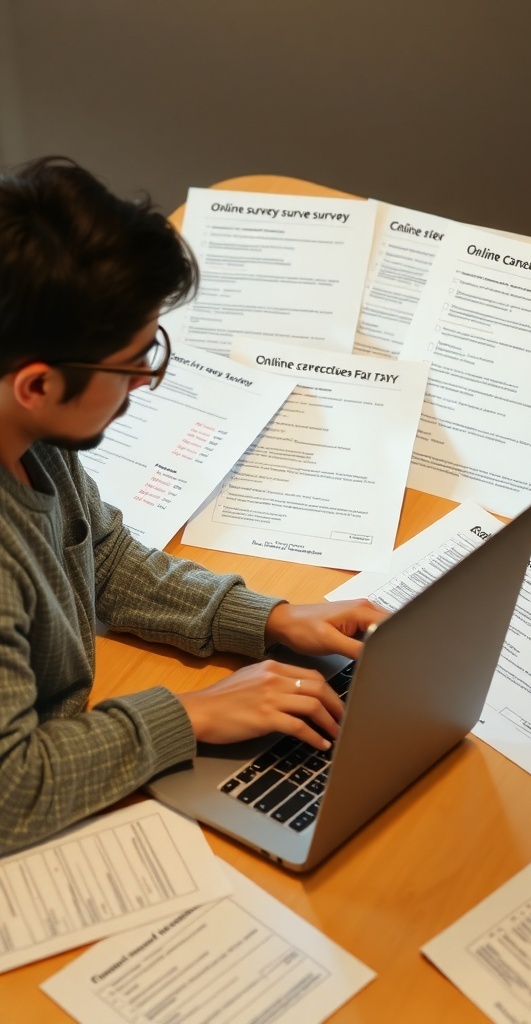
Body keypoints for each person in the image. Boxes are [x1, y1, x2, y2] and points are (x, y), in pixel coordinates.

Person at [0, 156, 386, 855]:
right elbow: (11, 793)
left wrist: (271, 618)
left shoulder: (31, 435)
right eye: (135, 361)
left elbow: (97, 554)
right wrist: (192, 714)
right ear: (37, 385)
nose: (147, 380)